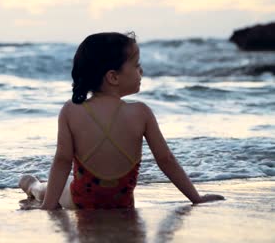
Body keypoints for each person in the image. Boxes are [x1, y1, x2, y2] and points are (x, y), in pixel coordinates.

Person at [19, 32, 224, 210]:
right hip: (122, 203)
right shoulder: (141, 112)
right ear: (113, 77)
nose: (141, 71)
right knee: (51, 187)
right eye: (136, 65)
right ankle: (32, 185)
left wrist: (49, 206)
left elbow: (62, 160)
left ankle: (34, 186)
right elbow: (166, 160)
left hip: (81, 201)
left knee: (49, 190)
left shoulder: (71, 111)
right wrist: (195, 198)